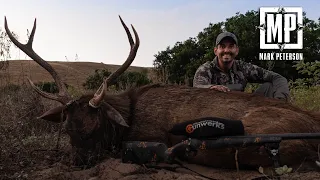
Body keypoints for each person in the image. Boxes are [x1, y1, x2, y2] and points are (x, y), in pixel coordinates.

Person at [193, 31, 290, 101]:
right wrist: (212, 88)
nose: (226, 50)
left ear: (237, 50)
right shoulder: (205, 69)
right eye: (222, 46)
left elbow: (278, 78)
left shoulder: (244, 67)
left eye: (231, 46)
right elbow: (197, 88)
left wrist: (280, 100)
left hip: (241, 109)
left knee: (269, 86)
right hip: (216, 110)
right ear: (215, 51)